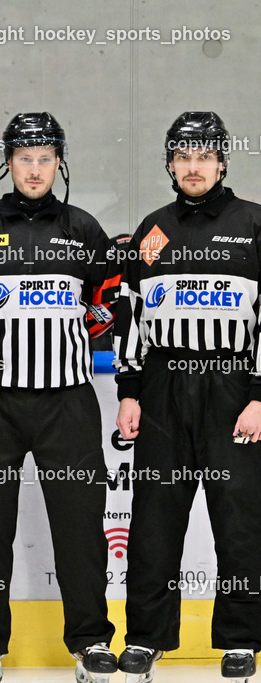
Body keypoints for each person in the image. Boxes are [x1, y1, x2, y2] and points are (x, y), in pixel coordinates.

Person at [0, 112, 121, 683]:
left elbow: (111, 301)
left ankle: (90, 640)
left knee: (80, 526)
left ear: (59, 163)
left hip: (67, 401)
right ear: (7, 162)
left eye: (44, 159)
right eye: (24, 158)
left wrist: (61, 341)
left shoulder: (84, 228)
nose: (34, 169)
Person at [113, 111, 261, 682]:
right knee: (154, 518)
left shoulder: (253, 223)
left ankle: (241, 639)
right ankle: (146, 638)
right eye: (183, 157)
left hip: (233, 387)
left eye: (204, 156)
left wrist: (259, 395)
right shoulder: (152, 230)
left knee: (240, 518)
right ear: (170, 164)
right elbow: (131, 317)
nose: (193, 167)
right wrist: (130, 391)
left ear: (222, 162)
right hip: (163, 385)